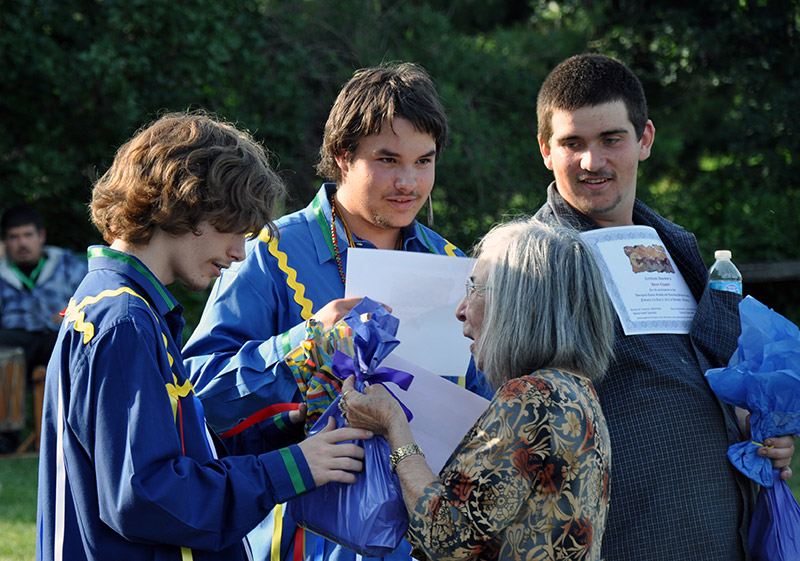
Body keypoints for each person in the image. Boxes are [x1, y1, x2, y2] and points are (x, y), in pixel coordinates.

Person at [182, 62, 493, 561]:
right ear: (342, 156)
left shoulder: (458, 267)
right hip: (299, 538)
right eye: (388, 159)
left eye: (424, 161)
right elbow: (199, 394)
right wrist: (300, 346)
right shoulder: (269, 253)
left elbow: (484, 409)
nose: (408, 182)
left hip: (418, 542)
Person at [36, 111, 373, 561]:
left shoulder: (120, 306)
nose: (238, 252)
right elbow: (146, 496)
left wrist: (287, 429)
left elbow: (183, 455)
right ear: (183, 202)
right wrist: (290, 470)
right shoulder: (124, 320)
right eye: (232, 228)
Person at [532, 53, 795, 560]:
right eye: (572, 144)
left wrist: (752, 428)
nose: (593, 162)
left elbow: (707, 376)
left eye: (611, 139)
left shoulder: (679, 248)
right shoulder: (528, 263)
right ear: (546, 150)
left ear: (644, 139)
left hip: (721, 533)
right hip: (620, 541)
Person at [340, 218, 614, 561]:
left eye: (475, 289)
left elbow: (444, 535)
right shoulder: (576, 391)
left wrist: (394, 426)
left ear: (523, 305)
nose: (460, 310)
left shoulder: (530, 397)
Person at [0, 204, 87, 452]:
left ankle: (75, 427)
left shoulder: (67, 264)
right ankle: (6, 437)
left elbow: (91, 299)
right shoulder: (2, 271)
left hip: (57, 334)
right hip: (17, 340)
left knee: (79, 339)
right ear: (5, 242)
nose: (22, 243)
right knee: (3, 347)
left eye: (27, 235)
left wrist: (70, 315)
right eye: (14, 237)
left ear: (41, 236)